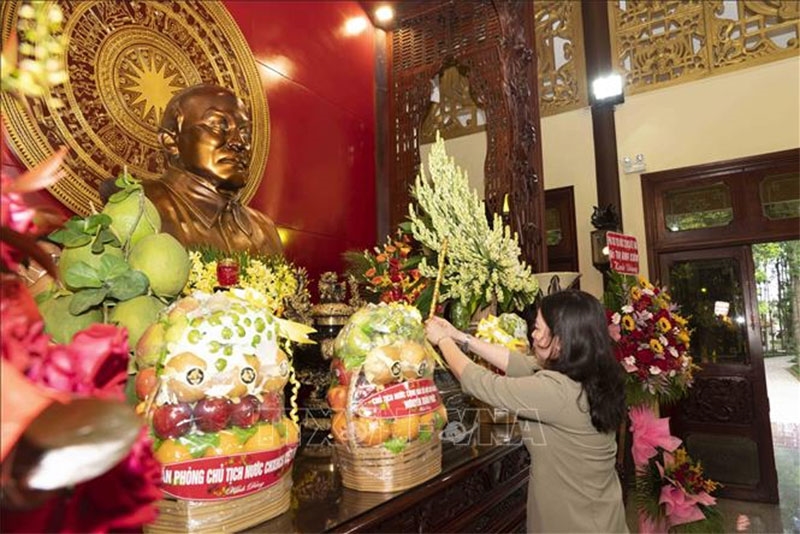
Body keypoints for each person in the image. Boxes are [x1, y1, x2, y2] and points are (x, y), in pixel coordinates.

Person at [425, 290, 628, 533]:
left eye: (539, 329)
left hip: (574, 522)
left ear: (562, 341)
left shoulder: (557, 392)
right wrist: (459, 336)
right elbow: (520, 363)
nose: (533, 334)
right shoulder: (593, 372)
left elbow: (479, 382)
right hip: (601, 514)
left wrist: (442, 341)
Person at [142, 84, 282, 256]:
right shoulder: (142, 208)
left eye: (245, 133)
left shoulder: (263, 229)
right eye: (218, 126)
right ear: (171, 142)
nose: (238, 142)